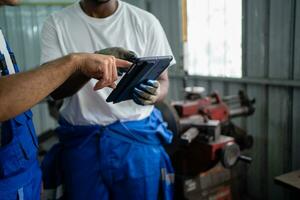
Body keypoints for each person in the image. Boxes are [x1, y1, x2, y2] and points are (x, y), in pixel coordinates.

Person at [40, 0, 176, 199]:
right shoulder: (57, 24)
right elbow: (55, 91)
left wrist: (155, 94)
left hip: (136, 143)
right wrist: (87, 65)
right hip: (83, 145)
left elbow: (163, 81)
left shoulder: (145, 22)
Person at [0, 0, 132, 199]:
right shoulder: (57, 23)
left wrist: (31, 170)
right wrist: (76, 62)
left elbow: (15, 98)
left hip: (22, 178)